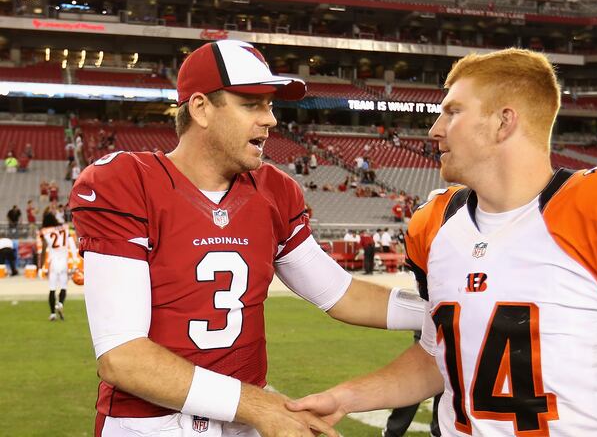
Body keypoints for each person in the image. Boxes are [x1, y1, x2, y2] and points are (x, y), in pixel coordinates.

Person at [288, 48, 597, 436]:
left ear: (504, 122)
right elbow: (439, 355)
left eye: (452, 112)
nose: (434, 130)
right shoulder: (436, 223)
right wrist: (346, 396)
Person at [68, 40, 423, 437]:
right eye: (251, 104)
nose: (270, 119)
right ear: (201, 108)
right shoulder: (127, 181)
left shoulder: (274, 190)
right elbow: (123, 357)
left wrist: (445, 313)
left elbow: (341, 294)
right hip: (151, 425)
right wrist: (258, 406)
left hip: (242, 423)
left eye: (270, 104)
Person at [37, 212, 77, 321]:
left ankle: (52, 314)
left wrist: (40, 267)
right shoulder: (64, 228)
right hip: (64, 261)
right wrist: (75, 259)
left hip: (53, 262)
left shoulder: (45, 232)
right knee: (64, 286)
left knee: (52, 288)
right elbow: (72, 244)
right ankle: (60, 303)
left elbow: (43, 250)